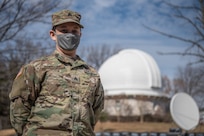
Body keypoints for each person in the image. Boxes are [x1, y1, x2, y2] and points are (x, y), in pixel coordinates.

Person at [9, 9, 104, 136]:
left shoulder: (92, 74)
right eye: (64, 31)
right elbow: (19, 109)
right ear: (53, 34)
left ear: (80, 34)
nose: (70, 35)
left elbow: (95, 111)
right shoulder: (36, 68)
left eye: (74, 31)